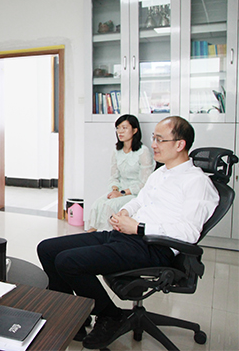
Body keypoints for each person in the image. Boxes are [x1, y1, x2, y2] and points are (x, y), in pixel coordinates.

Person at [37, 116, 219, 350]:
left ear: (180, 144)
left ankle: (111, 316)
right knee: (47, 249)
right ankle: (75, 316)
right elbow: (140, 201)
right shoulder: (161, 173)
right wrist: (124, 212)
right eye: (154, 138)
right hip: (127, 235)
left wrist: (139, 228)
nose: (153, 144)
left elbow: (189, 232)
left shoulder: (197, 182)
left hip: (154, 247)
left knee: (68, 262)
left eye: (160, 139)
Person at [84, 114, 154, 231]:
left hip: (134, 193)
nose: (120, 131)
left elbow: (144, 183)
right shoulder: (117, 151)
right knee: (97, 204)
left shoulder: (143, 152)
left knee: (109, 206)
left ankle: (104, 235)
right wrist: (115, 190)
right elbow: (114, 176)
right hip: (119, 191)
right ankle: (91, 234)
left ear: (135, 130)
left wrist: (122, 193)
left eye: (124, 128)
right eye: (118, 128)